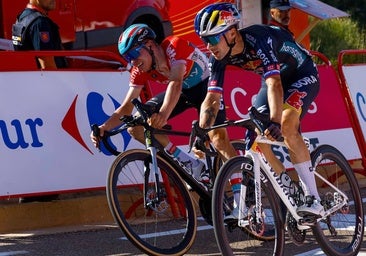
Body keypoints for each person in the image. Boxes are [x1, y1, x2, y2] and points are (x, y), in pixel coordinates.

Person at [194, 3, 324, 218]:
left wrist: (274, 121)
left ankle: (314, 198)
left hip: (301, 74)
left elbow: (275, 85)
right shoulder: (218, 57)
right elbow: (212, 98)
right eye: (205, 40)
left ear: (232, 32)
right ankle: (291, 192)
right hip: (273, 78)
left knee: (286, 124)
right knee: (255, 140)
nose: (209, 46)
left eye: (213, 38)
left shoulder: (260, 40)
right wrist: (202, 130)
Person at [90, 23, 220, 186]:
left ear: (150, 45)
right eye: (128, 58)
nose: (133, 62)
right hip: (183, 92)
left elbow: (175, 82)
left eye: (134, 54)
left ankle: (240, 192)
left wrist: (163, 114)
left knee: (218, 139)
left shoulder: (174, 45)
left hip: (205, 88)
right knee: (136, 125)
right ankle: (188, 162)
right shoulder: (139, 70)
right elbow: (126, 107)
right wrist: (105, 127)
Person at [12, 0, 67, 69]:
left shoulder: (23, 16)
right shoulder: (40, 23)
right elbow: (48, 66)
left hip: (29, 77)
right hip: (45, 78)